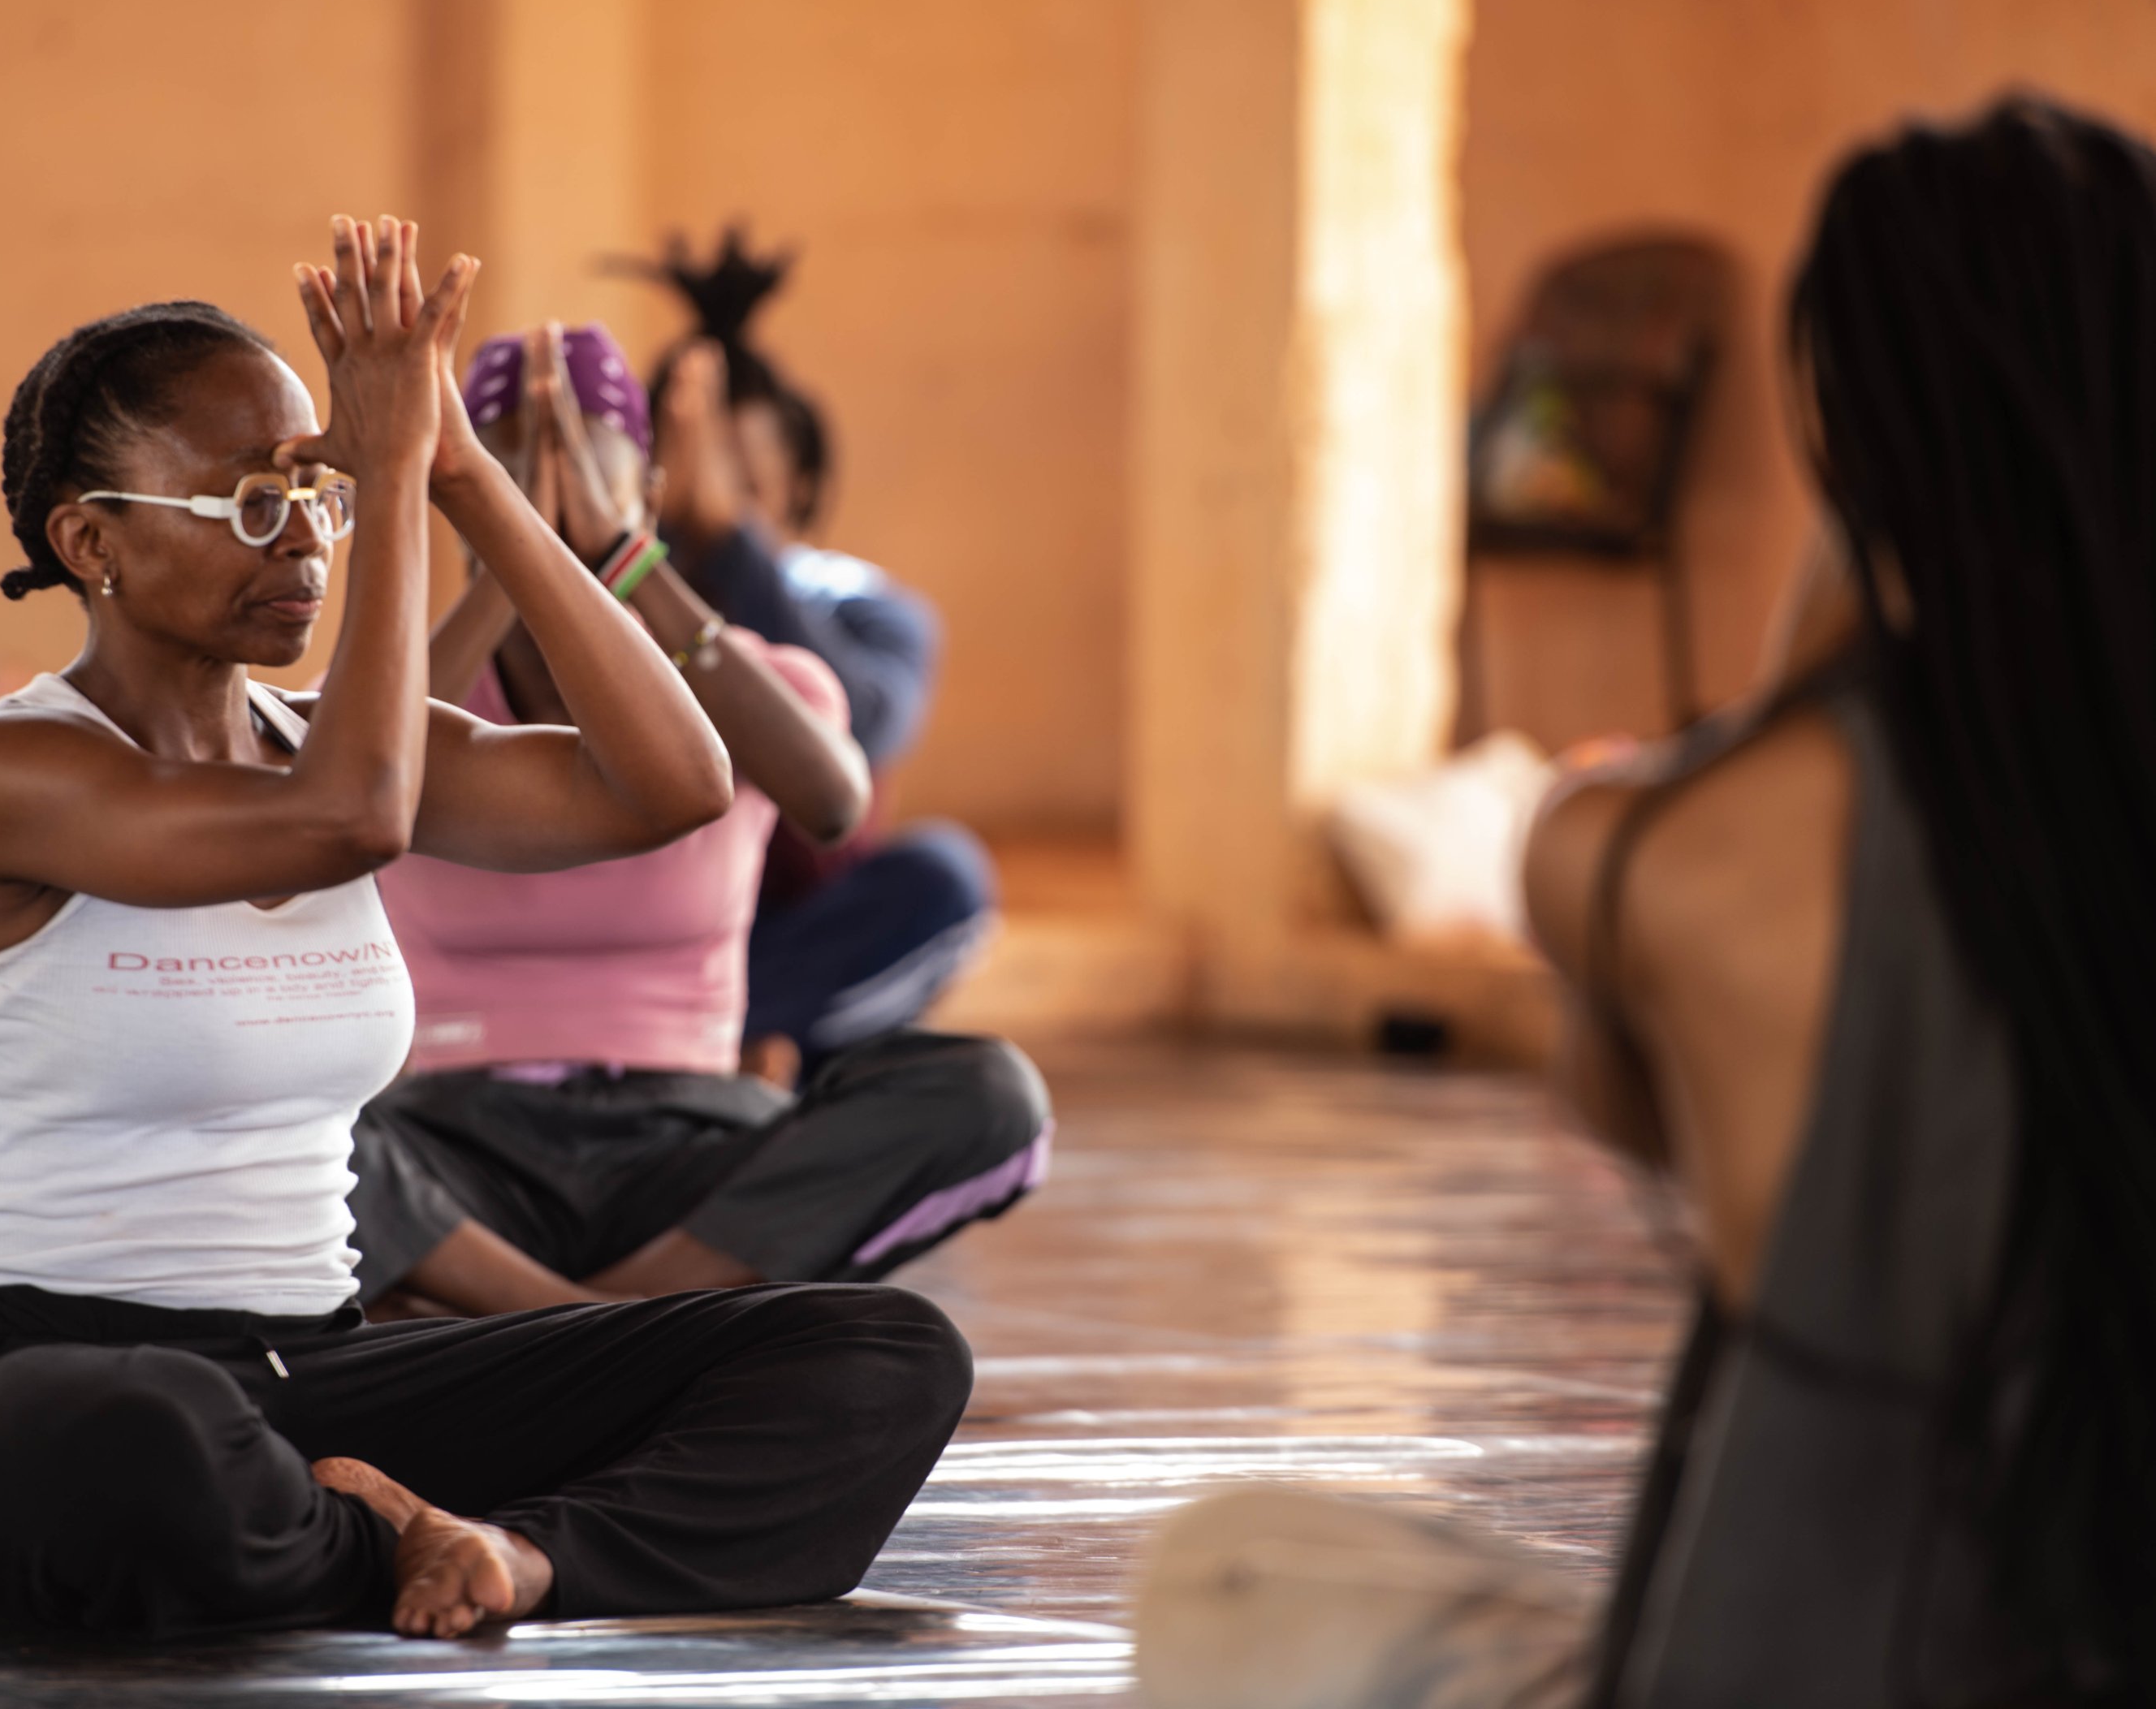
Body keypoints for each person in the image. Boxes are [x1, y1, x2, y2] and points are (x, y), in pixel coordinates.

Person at [1136, 96, 2156, 1707]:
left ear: (1854, 438)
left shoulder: (1658, 851)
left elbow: (1621, 1111)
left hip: (1790, 1654)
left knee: (1238, 1570)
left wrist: (1852, 595)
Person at [0, 217, 973, 1643]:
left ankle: (517, 1560)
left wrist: (462, 476)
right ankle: (389, 1537)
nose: (306, 539)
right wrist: (387, 486)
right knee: (139, 1430)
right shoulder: (7, 775)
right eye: (253, 508)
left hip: (312, 1375)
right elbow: (352, 818)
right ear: (92, 542)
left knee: (877, 1351)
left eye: (312, 494)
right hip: (25, 1377)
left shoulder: (330, 742)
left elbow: (675, 784)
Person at [348, 318, 1052, 1319]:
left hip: (688, 1148)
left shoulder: (737, 678)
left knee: (988, 1097)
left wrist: (624, 560)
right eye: (499, 485)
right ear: (455, 498)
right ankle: (642, 1333)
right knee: (267, 1125)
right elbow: (358, 784)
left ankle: (560, 1326)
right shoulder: (384, 700)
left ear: (645, 492)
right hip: (452, 1150)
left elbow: (832, 801)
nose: (539, 504)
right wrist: (516, 557)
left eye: (587, 476)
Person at [632, 228, 997, 1081]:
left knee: (945, 878)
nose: (710, 502)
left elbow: (862, 726)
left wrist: (731, 543)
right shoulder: (598, 599)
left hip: (785, 939)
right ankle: (688, 1030)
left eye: (742, 482)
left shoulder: (866, 607)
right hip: (637, 922)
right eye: (688, 476)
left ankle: (710, 1029)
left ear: (796, 485)